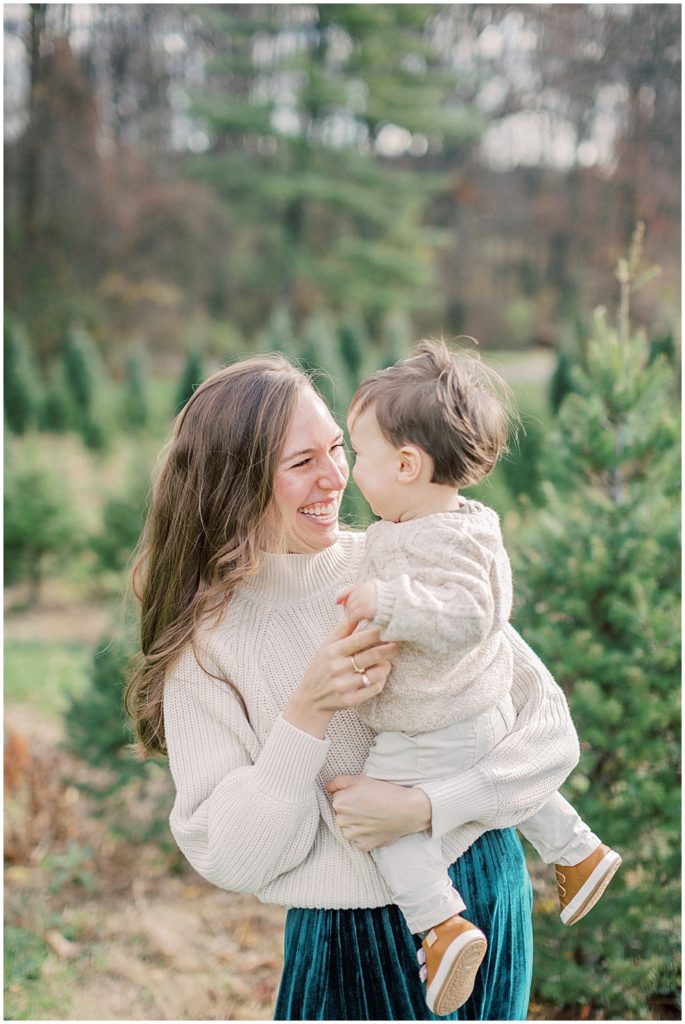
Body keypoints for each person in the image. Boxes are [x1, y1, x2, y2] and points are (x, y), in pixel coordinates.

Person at [125, 352, 583, 1022]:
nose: (335, 476)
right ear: (238, 480)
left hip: (483, 889)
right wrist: (305, 713)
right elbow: (228, 857)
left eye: (338, 448)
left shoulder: (393, 560)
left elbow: (546, 734)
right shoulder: (209, 645)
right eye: (301, 461)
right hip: (351, 939)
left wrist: (429, 805)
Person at [335, 339, 621, 1015]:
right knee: (504, 777)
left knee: (380, 821)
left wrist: (389, 604)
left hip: (430, 724)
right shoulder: (439, 525)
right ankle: (576, 851)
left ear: (406, 465)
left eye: (357, 453)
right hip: (475, 716)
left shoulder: (439, 537)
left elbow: (470, 613)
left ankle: (438, 926)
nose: (350, 471)